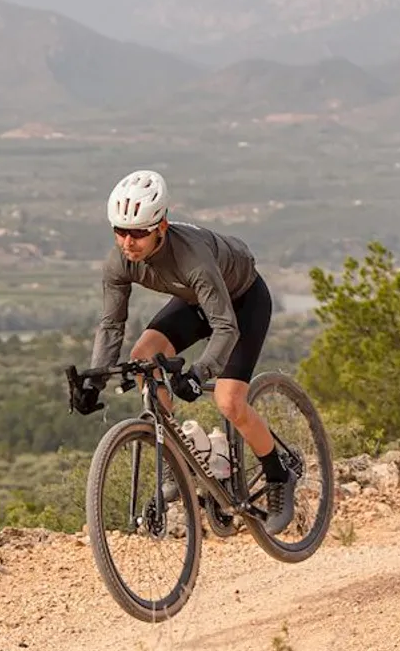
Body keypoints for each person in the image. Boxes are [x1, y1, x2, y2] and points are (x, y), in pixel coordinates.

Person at [71, 169, 303, 532]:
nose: (127, 242)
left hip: (242, 303)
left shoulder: (192, 258)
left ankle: (278, 474)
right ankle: (174, 464)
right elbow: (112, 325)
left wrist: (200, 373)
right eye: (119, 231)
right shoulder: (118, 262)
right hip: (193, 301)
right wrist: (94, 382)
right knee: (142, 357)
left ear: (160, 226)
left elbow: (225, 326)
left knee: (228, 401)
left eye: (137, 233)